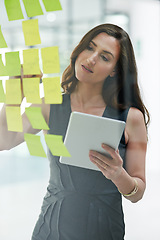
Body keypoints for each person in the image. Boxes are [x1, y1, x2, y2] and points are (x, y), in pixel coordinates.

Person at [0, 23, 150, 240]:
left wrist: (119, 175)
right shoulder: (49, 105)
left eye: (105, 57)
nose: (91, 59)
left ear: (114, 71)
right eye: (90, 47)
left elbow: (138, 192)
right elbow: (4, 140)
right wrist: (16, 90)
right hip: (51, 227)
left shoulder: (132, 118)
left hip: (104, 229)